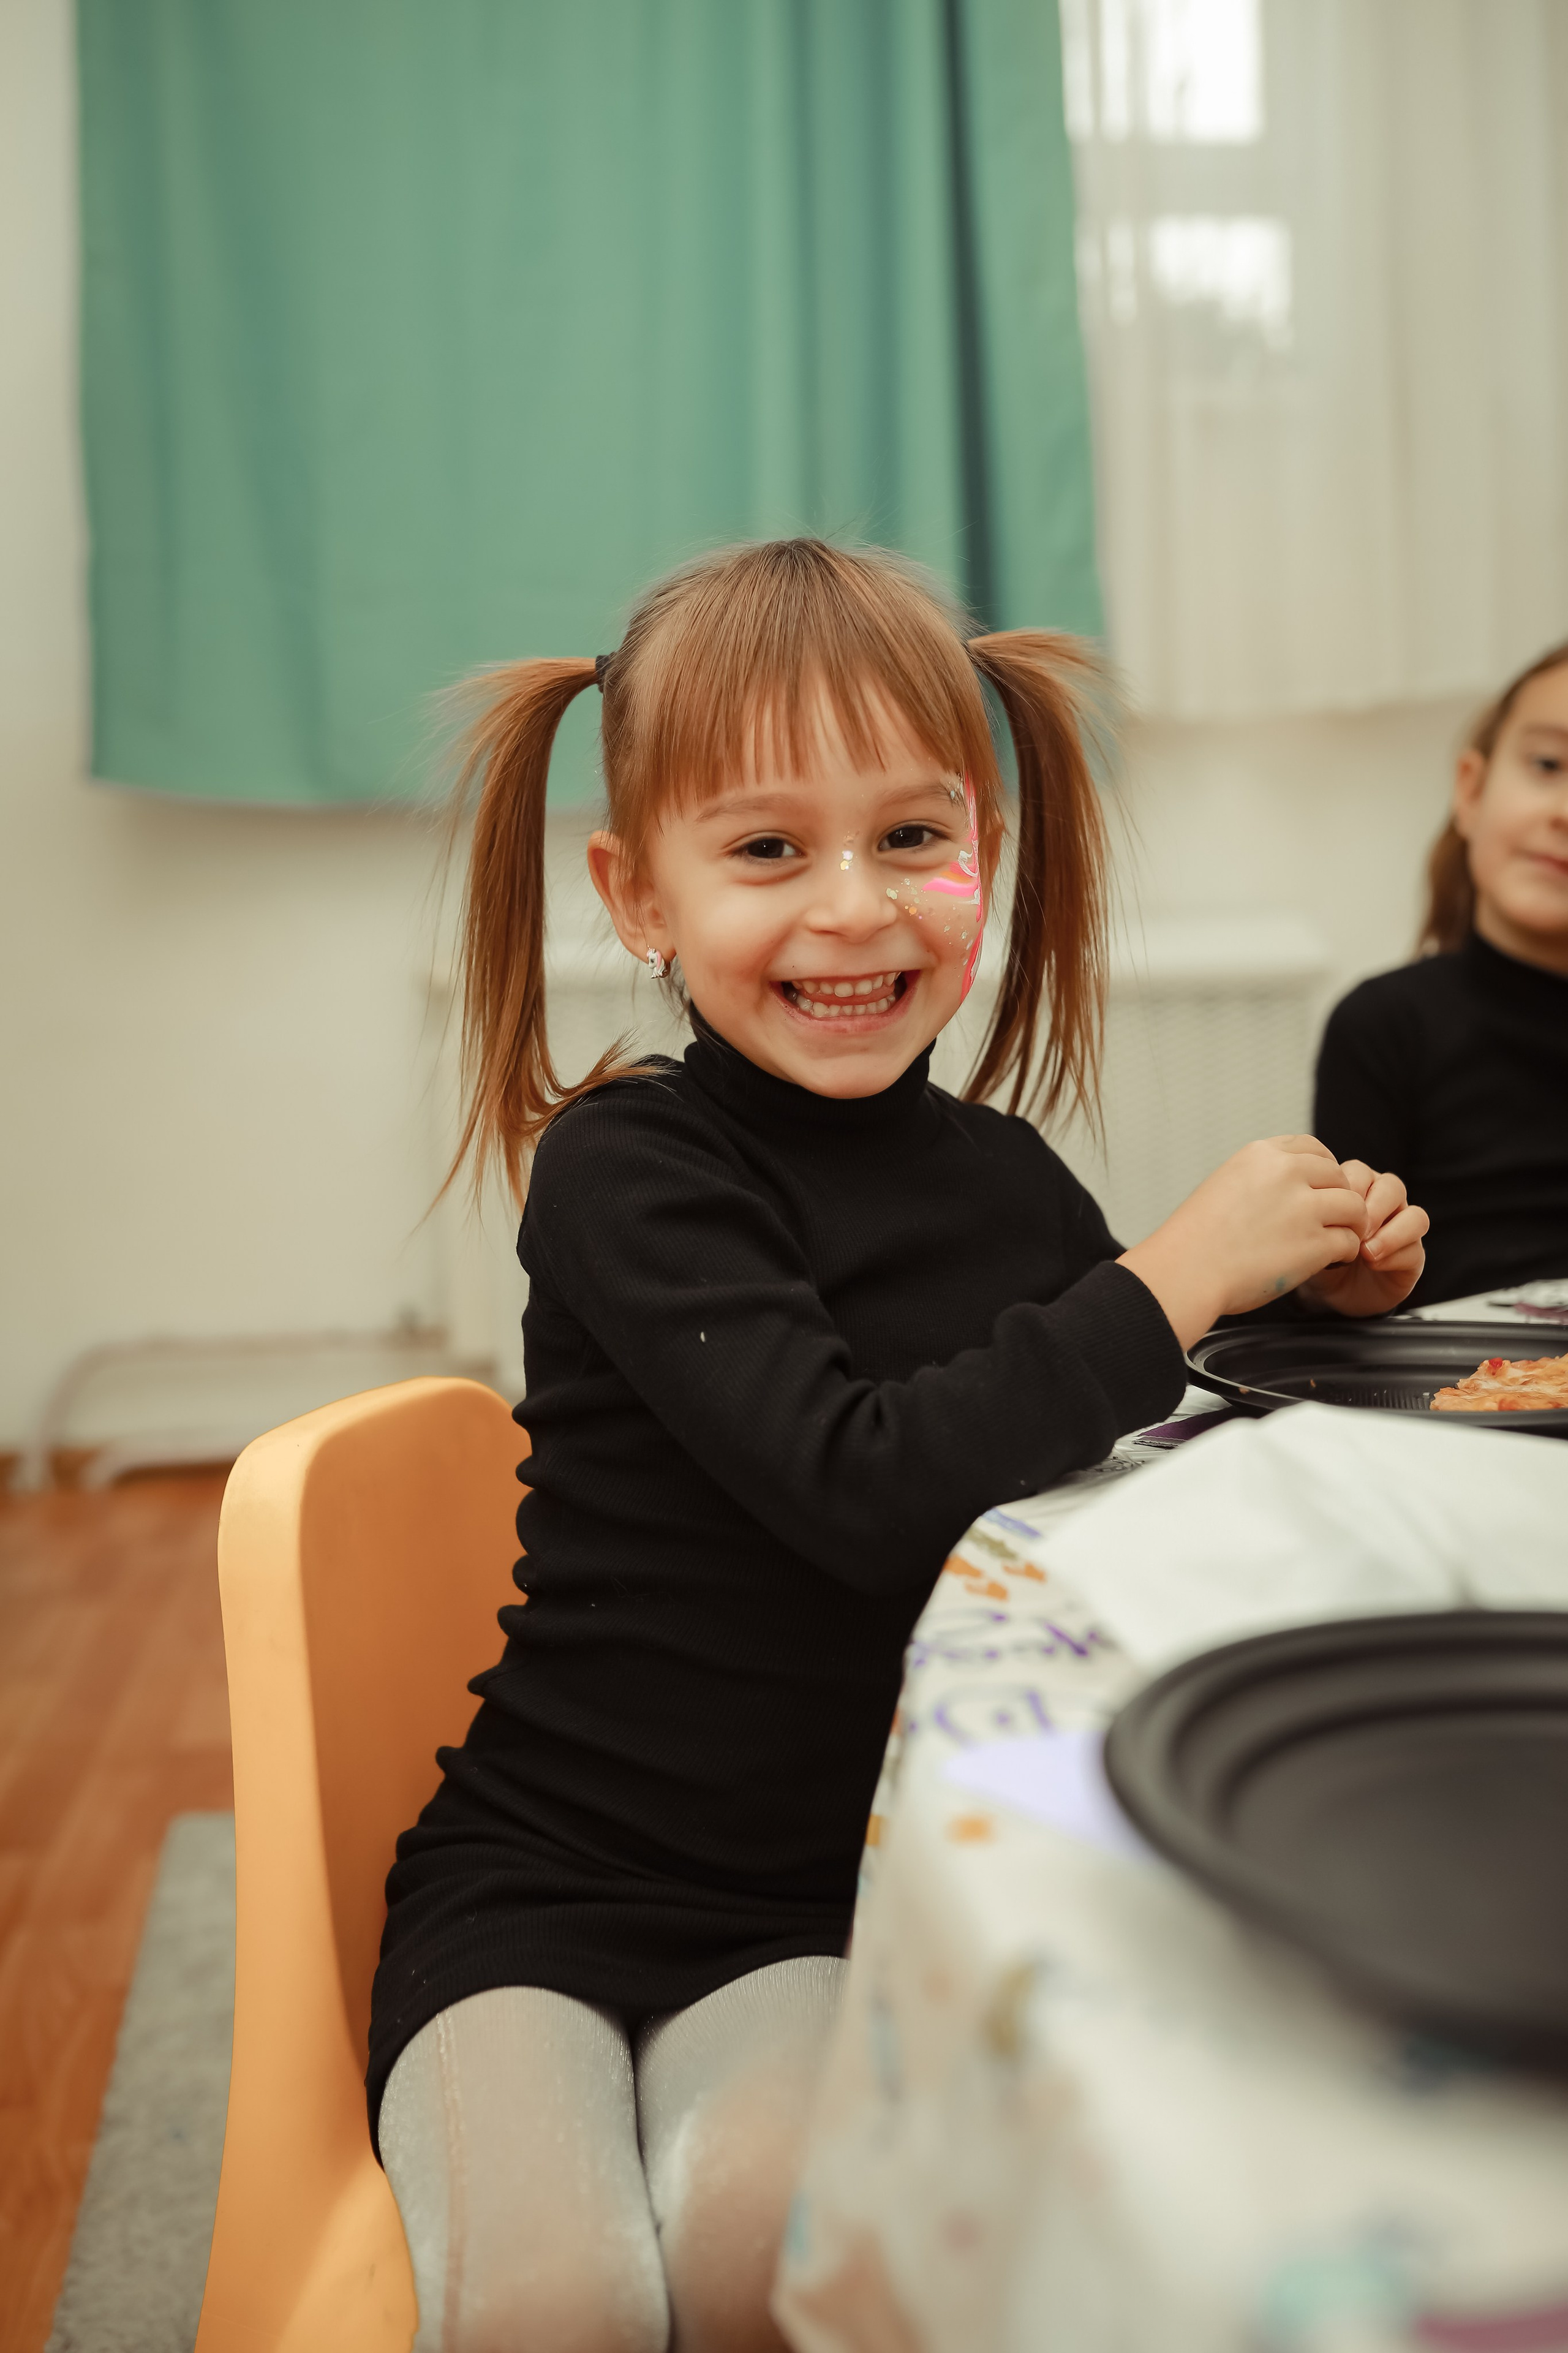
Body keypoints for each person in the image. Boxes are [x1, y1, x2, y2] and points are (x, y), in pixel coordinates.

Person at [371, 539, 1427, 2353]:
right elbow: (860, 1480)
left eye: (911, 838)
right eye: (767, 848)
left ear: (982, 860)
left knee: (762, 2261)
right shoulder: (630, 1166)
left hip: (809, 1899)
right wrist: (1173, 1268)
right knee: (559, 2300)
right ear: (637, 894)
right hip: (548, 1878)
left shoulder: (1004, 1182)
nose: (852, 909)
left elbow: (1101, 1416)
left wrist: (1304, 1293)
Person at [1314, 640, 1568, 1312]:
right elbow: (1337, 1285)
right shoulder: (1384, 1025)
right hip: (1447, 1393)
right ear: (1471, 789)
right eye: (1547, 764)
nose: (1564, 812)